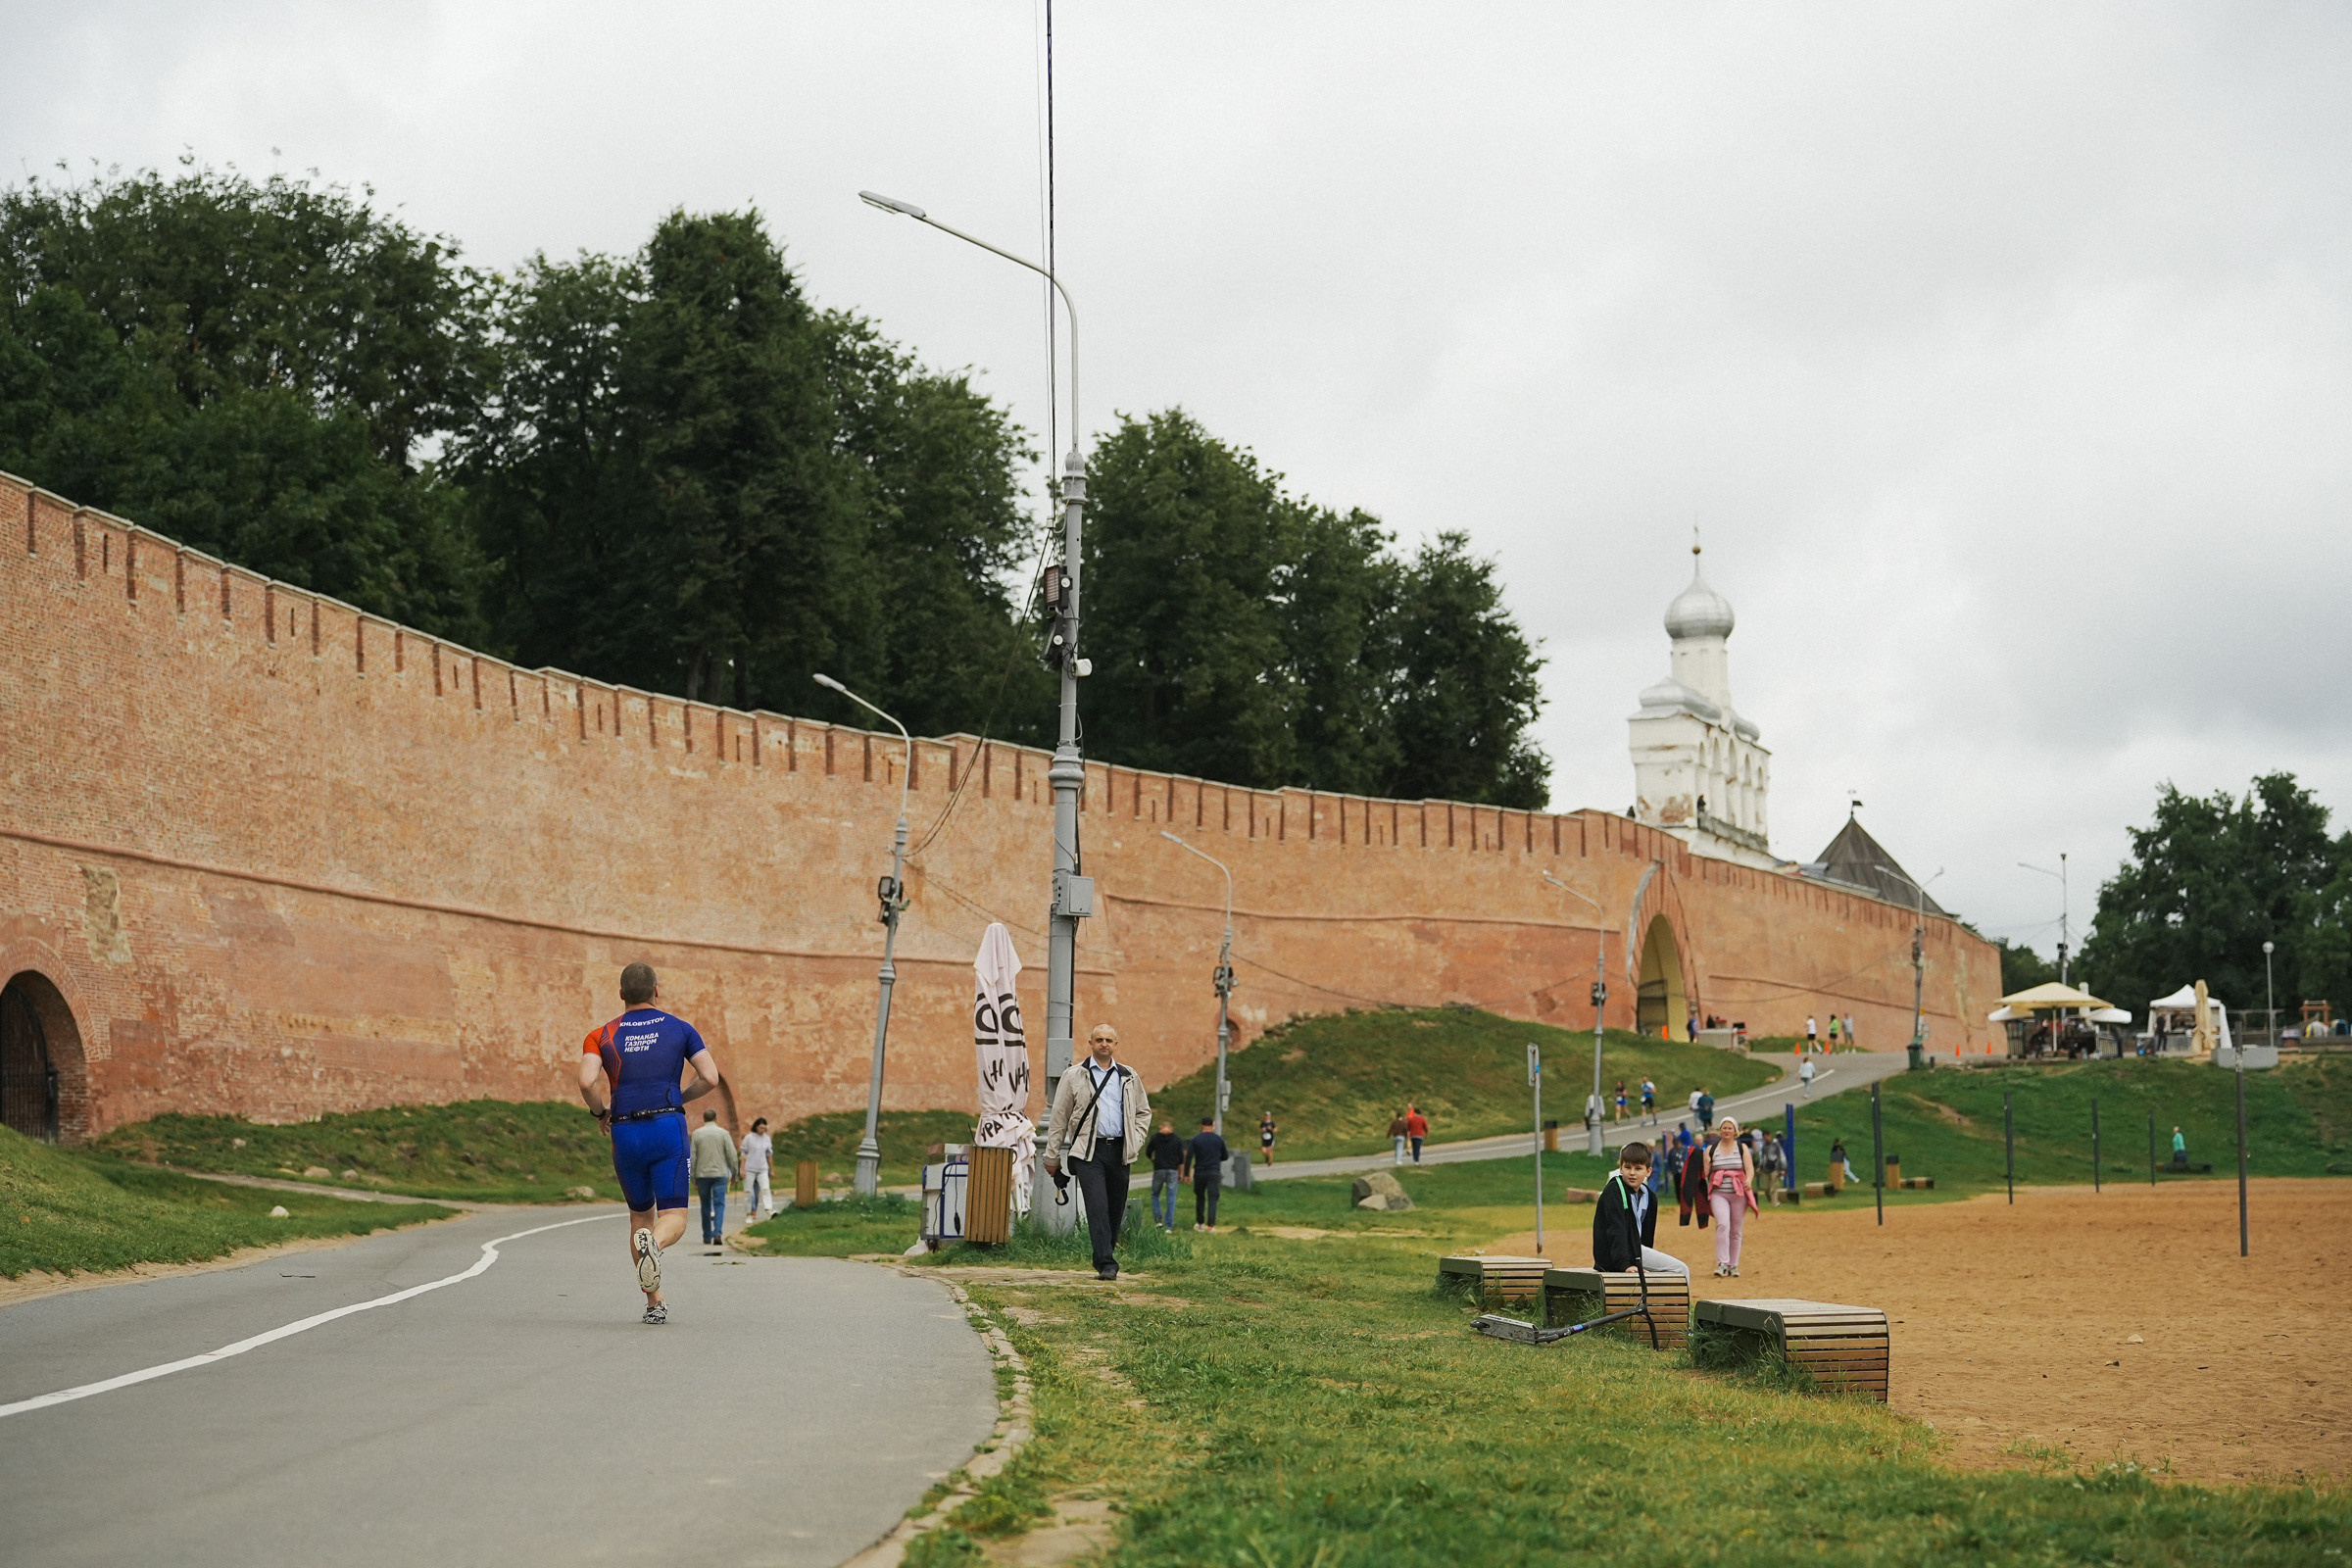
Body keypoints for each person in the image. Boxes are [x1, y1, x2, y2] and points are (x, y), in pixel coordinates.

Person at [576, 960, 722, 1325]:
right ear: (657, 991)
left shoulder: (601, 1034)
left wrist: (600, 1113)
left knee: (639, 1217)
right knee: (673, 1216)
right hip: (666, 1127)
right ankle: (655, 1245)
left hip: (625, 1131)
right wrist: (679, 1098)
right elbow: (710, 1077)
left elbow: (585, 1082)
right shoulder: (681, 1029)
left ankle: (654, 1302)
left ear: (622, 994)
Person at [1043, 1023, 1152, 1280]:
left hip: (1120, 1151)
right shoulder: (1073, 1075)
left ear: (1116, 1045)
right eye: (1099, 1039)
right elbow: (1059, 1117)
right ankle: (1106, 1263)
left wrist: (1136, 1140)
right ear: (1090, 1043)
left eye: (1109, 1040)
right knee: (1097, 1205)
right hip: (1087, 1152)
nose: (1104, 1044)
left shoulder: (1128, 1076)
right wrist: (1052, 1156)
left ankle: (1104, 1255)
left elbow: (1143, 1111)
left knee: (1115, 1207)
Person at [1592, 1142, 1689, 1278]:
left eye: (1638, 1168)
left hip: (1635, 1253)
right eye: (1627, 1167)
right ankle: (1681, 1300)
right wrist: (1624, 1264)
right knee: (1681, 1269)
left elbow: (1647, 1236)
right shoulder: (1613, 1190)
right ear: (1620, 1168)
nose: (1632, 1173)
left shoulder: (1650, 1197)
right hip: (1612, 1257)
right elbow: (1616, 1230)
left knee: (1672, 1271)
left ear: (1648, 1171)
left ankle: (1660, 1300)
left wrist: (1640, 1264)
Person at [1702, 1116, 1758, 1277]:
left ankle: (1733, 1265)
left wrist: (1748, 1180)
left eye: (1730, 1128)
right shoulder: (1711, 1150)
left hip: (1738, 1194)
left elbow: (1749, 1168)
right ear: (1720, 1131)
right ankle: (1722, 1263)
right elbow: (1705, 1173)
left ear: (1735, 1131)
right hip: (1718, 1193)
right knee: (1723, 1225)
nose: (1727, 1131)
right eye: (1724, 1128)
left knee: (1736, 1230)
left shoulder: (1742, 1148)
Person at [691, 1108, 737, 1250]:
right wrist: (735, 1173)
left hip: (702, 1175)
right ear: (716, 1118)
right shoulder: (723, 1133)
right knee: (719, 1204)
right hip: (720, 1174)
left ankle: (707, 1235)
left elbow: (693, 1157)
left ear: (704, 1119)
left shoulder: (697, 1134)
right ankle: (717, 1233)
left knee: (705, 1205)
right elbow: (732, 1155)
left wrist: (693, 1178)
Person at [1186, 1115, 1229, 1231]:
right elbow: (1225, 1156)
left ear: (1202, 1126)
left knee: (1200, 1197)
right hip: (1214, 1171)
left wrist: (1186, 1174)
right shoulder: (1219, 1139)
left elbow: (1189, 1157)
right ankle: (1211, 1225)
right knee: (1213, 1198)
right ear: (1213, 1125)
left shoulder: (1196, 1139)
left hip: (1200, 1172)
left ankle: (1200, 1223)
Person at [1145, 1118, 1187, 1232]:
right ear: (1171, 1128)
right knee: (1171, 1198)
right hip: (1173, 1171)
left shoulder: (1155, 1138)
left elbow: (1148, 1151)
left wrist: (1153, 1159)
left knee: (1155, 1195)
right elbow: (1181, 1158)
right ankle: (1169, 1226)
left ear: (1160, 1127)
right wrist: (1181, 1173)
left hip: (1159, 1170)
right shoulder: (1177, 1139)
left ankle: (1158, 1220)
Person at [741, 1116, 774, 1219]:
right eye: (760, 1128)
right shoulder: (749, 1137)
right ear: (756, 1127)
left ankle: (769, 1209)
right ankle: (749, 1214)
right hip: (749, 1168)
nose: (762, 1130)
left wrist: (772, 1170)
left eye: (764, 1128)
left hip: (762, 1169)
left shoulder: (767, 1139)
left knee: (765, 1189)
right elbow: (743, 1154)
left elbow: (769, 1155)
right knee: (748, 1192)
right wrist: (742, 1169)